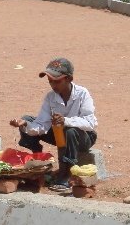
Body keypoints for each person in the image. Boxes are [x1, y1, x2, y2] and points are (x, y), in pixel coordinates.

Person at [9, 58, 97, 193]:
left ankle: (66, 173)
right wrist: (25, 124)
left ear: (69, 79)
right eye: (50, 81)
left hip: (82, 137)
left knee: (70, 130)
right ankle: (39, 161)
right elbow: (42, 125)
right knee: (27, 118)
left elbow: (90, 123)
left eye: (57, 81)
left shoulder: (82, 94)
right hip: (59, 134)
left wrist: (66, 121)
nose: (53, 85)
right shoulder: (50, 97)